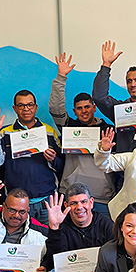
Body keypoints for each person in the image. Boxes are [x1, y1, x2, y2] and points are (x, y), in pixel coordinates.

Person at [48, 53, 116, 214]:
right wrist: (61, 77)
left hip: (102, 197)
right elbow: (55, 108)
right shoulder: (68, 127)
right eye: (79, 108)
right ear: (74, 111)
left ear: (94, 108)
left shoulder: (108, 129)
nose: (84, 111)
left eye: (87, 107)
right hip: (72, 194)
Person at [0, 91, 63, 225]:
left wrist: (53, 159)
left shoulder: (49, 132)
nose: (26, 109)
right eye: (21, 105)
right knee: (18, 237)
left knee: (49, 236)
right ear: (15, 108)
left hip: (46, 201)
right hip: (16, 204)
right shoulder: (5, 133)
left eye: (30, 105)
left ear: (35, 107)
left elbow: (62, 164)